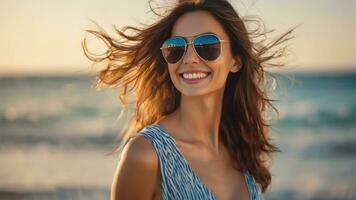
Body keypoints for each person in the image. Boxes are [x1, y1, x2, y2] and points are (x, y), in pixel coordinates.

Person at [83, 0, 295, 199]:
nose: (190, 58)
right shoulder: (146, 154)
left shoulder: (240, 147)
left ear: (235, 61)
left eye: (207, 45)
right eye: (176, 48)